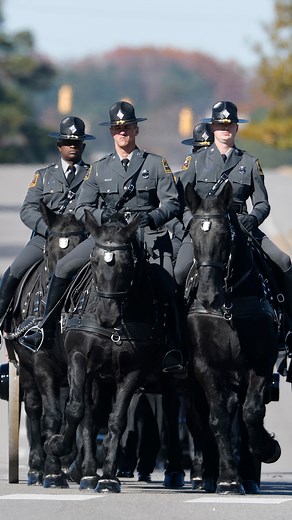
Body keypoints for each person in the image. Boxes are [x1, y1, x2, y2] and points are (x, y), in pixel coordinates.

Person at [20, 101, 184, 372]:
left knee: (169, 285)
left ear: (136, 130)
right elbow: (83, 206)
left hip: (147, 236)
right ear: (111, 132)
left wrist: (151, 217)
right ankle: (46, 331)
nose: (123, 133)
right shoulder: (99, 169)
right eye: (118, 129)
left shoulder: (156, 165)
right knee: (63, 267)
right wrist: (102, 218)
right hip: (106, 238)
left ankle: (175, 348)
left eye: (127, 128)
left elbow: (172, 203)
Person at [174, 100, 292, 335]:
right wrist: (192, 223)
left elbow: (262, 203)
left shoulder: (249, 163)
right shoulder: (196, 161)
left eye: (230, 125)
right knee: (178, 273)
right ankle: (175, 337)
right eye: (220, 125)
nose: (225, 129)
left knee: (283, 261)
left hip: (241, 226)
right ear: (213, 127)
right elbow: (180, 200)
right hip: (204, 230)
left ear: (237, 128)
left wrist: (254, 218)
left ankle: (286, 326)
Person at [0, 116, 95, 343]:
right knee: (13, 271)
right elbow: (28, 209)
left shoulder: (94, 175)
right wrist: (47, 229)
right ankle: (3, 320)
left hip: (80, 241)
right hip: (44, 238)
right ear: (59, 146)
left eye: (77, 142)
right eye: (67, 142)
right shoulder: (43, 176)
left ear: (83, 146)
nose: (72, 146)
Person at [168, 122, 214, 262]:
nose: (203, 154)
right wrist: (186, 228)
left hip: (219, 228)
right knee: (174, 271)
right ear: (193, 150)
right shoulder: (176, 178)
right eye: (199, 149)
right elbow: (170, 212)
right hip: (185, 232)